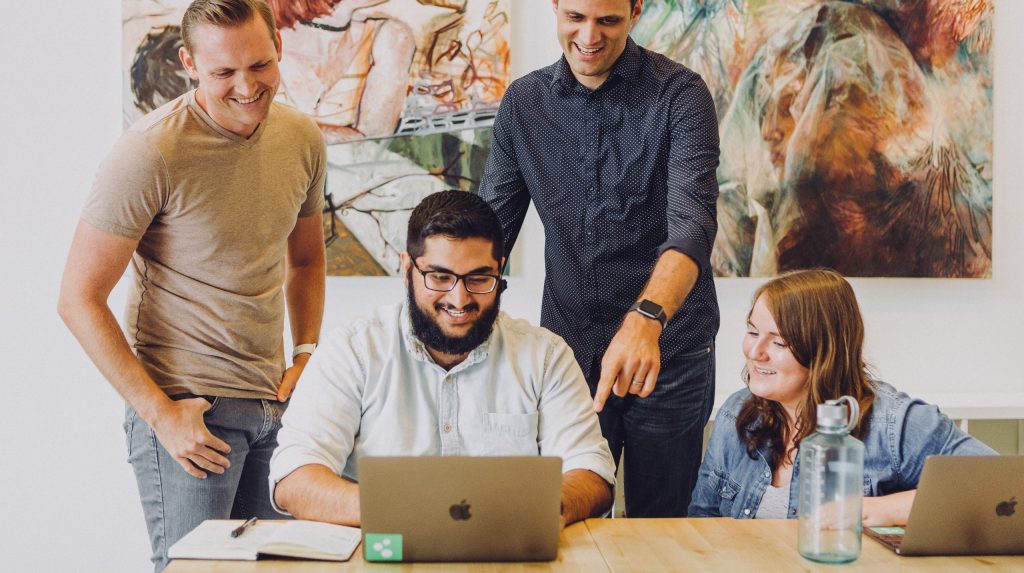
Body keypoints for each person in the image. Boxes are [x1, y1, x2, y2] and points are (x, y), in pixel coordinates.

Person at [57, 1, 326, 570]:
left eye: (260, 65)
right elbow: (78, 298)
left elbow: (306, 261)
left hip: (273, 405)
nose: (248, 87)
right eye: (225, 72)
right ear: (188, 62)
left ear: (279, 50)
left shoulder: (301, 137)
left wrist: (305, 353)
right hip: (189, 413)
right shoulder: (151, 150)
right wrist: (159, 413)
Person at [477, 0, 720, 517]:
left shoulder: (680, 94)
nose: (589, 36)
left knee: (661, 528)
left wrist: (646, 318)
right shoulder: (524, 104)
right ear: (556, 8)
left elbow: (692, 226)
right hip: (569, 353)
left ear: (635, 12)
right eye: (575, 18)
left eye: (607, 20)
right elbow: (487, 232)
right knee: (564, 518)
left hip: (669, 351)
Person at [269, 191, 615, 527]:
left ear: (500, 270)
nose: (459, 298)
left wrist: (538, 510)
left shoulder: (545, 357)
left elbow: (592, 471)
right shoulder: (353, 351)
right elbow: (293, 476)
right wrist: (406, 513)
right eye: (440, 277)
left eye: (479, 278)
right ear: (407, 269)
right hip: (381, 556)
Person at [688, 269, 996, 524]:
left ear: (824, 351)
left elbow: (998, 488)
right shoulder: (736, 414)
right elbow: (703, 523)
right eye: (753, 332)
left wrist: (873, 510)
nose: (754, 353)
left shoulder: (893, 424)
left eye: (779, 343)